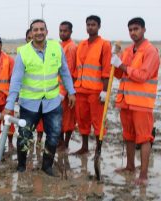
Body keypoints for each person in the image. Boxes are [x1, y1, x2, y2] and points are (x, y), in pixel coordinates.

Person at [3, 19, 76, 176]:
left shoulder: (56, 48)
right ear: (31, 33)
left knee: (54, 135)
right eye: (35, 30)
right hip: (30, 104)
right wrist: (9, 106)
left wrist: (71, 91)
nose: (39, 32)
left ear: (47, 31)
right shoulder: (23, 52)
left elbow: (64, 71)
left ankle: (47, 166)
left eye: (42, 29)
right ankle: (22, 166)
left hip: (52, 102)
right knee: (24, 137)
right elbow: (15, 81)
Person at [111, 17, 160, 184]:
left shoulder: (151, 51)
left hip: (142, 104)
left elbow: (143, 75)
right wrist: (115, 63)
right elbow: (121, 75)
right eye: (130, 29)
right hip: (126, 101)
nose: (133, 32)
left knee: (144, 138)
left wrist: (122, 66)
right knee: (128, 135)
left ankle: (144, 174)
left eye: (136, 29)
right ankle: (130, 166)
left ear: (144, 30)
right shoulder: (128, 50)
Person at [73, 15, 112, 155]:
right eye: (88, 24)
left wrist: (105, 91)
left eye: (93, 25)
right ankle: (84, 147)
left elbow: (107, 70)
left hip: (96, 90)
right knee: (82, 119)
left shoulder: (104, 45)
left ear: (99, 26)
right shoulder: (81, 45)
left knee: (97, 121)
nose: (90, 27)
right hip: (80, 89)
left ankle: (98, 149)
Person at [58, 21, 77, 149]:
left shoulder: (71, 47)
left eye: (65, 31)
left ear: (70, 32)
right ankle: (60, 143)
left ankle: (65, 144)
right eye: (60, 30)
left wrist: (65, 92)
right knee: (58, 118)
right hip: (58, 89)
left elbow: (68, 72)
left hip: (65, 91)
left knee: (68, 119)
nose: (62, 33)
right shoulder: (60, 46)